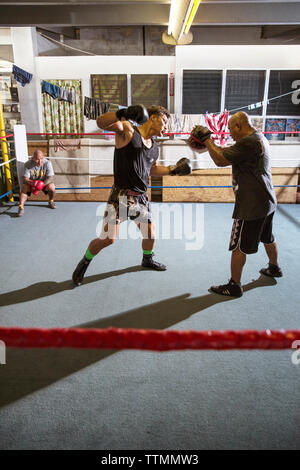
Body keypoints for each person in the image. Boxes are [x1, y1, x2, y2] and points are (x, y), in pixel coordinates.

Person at [72, 104, 192, 286]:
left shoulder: (154, 146)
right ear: (153, 117)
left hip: (141, 198)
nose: (166, 127)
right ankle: (85, 261)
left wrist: (173, 170)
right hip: (120, 197)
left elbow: (152, 169)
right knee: (108, 239)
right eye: (165, 121)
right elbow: (101, 122)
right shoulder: (128, 130)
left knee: (150, 234)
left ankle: (147, 259)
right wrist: (122, 114)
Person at [188, 111, 282, 297]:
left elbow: (220, 160)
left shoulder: (248, 142)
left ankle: (234, 285)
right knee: (267, 236)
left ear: (239, 126)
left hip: (251, 204)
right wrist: (210, 144)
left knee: (238, 245)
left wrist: (207, 140)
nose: (229, 133)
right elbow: (227, 152)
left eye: (231, 129)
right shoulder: (258, 138)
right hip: (267, 200)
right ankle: (274, 268)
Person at [17, 149, 56, 217]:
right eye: (37, 159)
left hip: (43, 183)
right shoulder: (28, 164)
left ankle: (51, 201)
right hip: (32, 184)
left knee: (52, 187)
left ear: (43, 157)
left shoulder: (47, 163)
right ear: (32, 159)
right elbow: (25, 179)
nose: (40, 161)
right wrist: (34, 183)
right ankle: (21, 207)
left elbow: (51, 178)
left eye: (41, 158)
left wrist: (41, 185)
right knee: (24, 187)